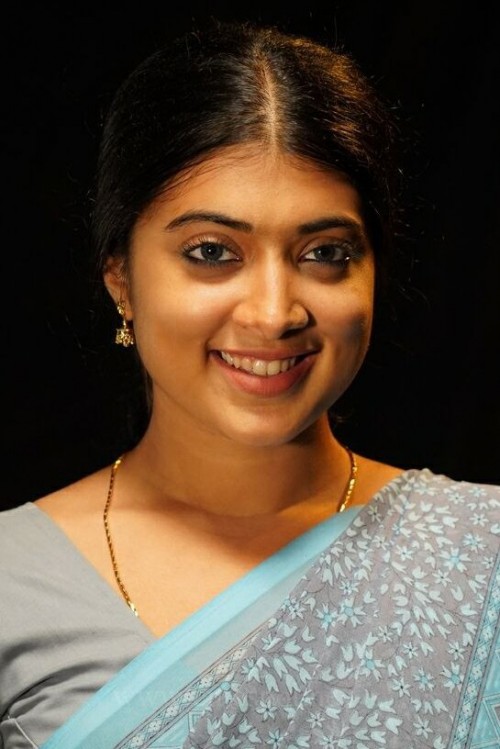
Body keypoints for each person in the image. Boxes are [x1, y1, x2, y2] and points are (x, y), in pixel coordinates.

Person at [1, 19, 498, 749]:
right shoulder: (13, 580)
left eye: (325, 253)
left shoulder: (482, 556)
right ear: (121, 279)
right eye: (212, 252)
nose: (274, 313)